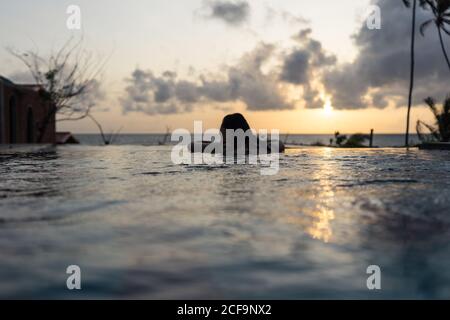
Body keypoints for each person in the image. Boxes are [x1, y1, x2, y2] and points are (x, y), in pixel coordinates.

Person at [190, 113, 285, 154]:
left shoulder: (221, 150)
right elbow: (279, 143)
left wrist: (216, 145)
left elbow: (193, 145)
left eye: (221, 132)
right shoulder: (262, 148)